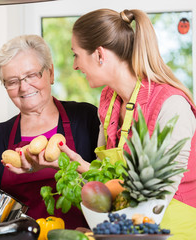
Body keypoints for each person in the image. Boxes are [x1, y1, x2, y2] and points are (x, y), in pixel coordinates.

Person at [0, 34, 100, 229]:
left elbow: (108, 186)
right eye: (12, 81)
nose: (23, 87)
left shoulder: (86, 118)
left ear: (50, 73)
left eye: (31, 75)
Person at [67, 8, 196, 239]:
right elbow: (112, 184)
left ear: (99, 54)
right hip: (131, 230)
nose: (75, 65)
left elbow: (156, 196)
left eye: (76, 54)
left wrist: (105, 232)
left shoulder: (171, 104)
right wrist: (72, 163)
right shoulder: (109, 101)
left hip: (176, 232)